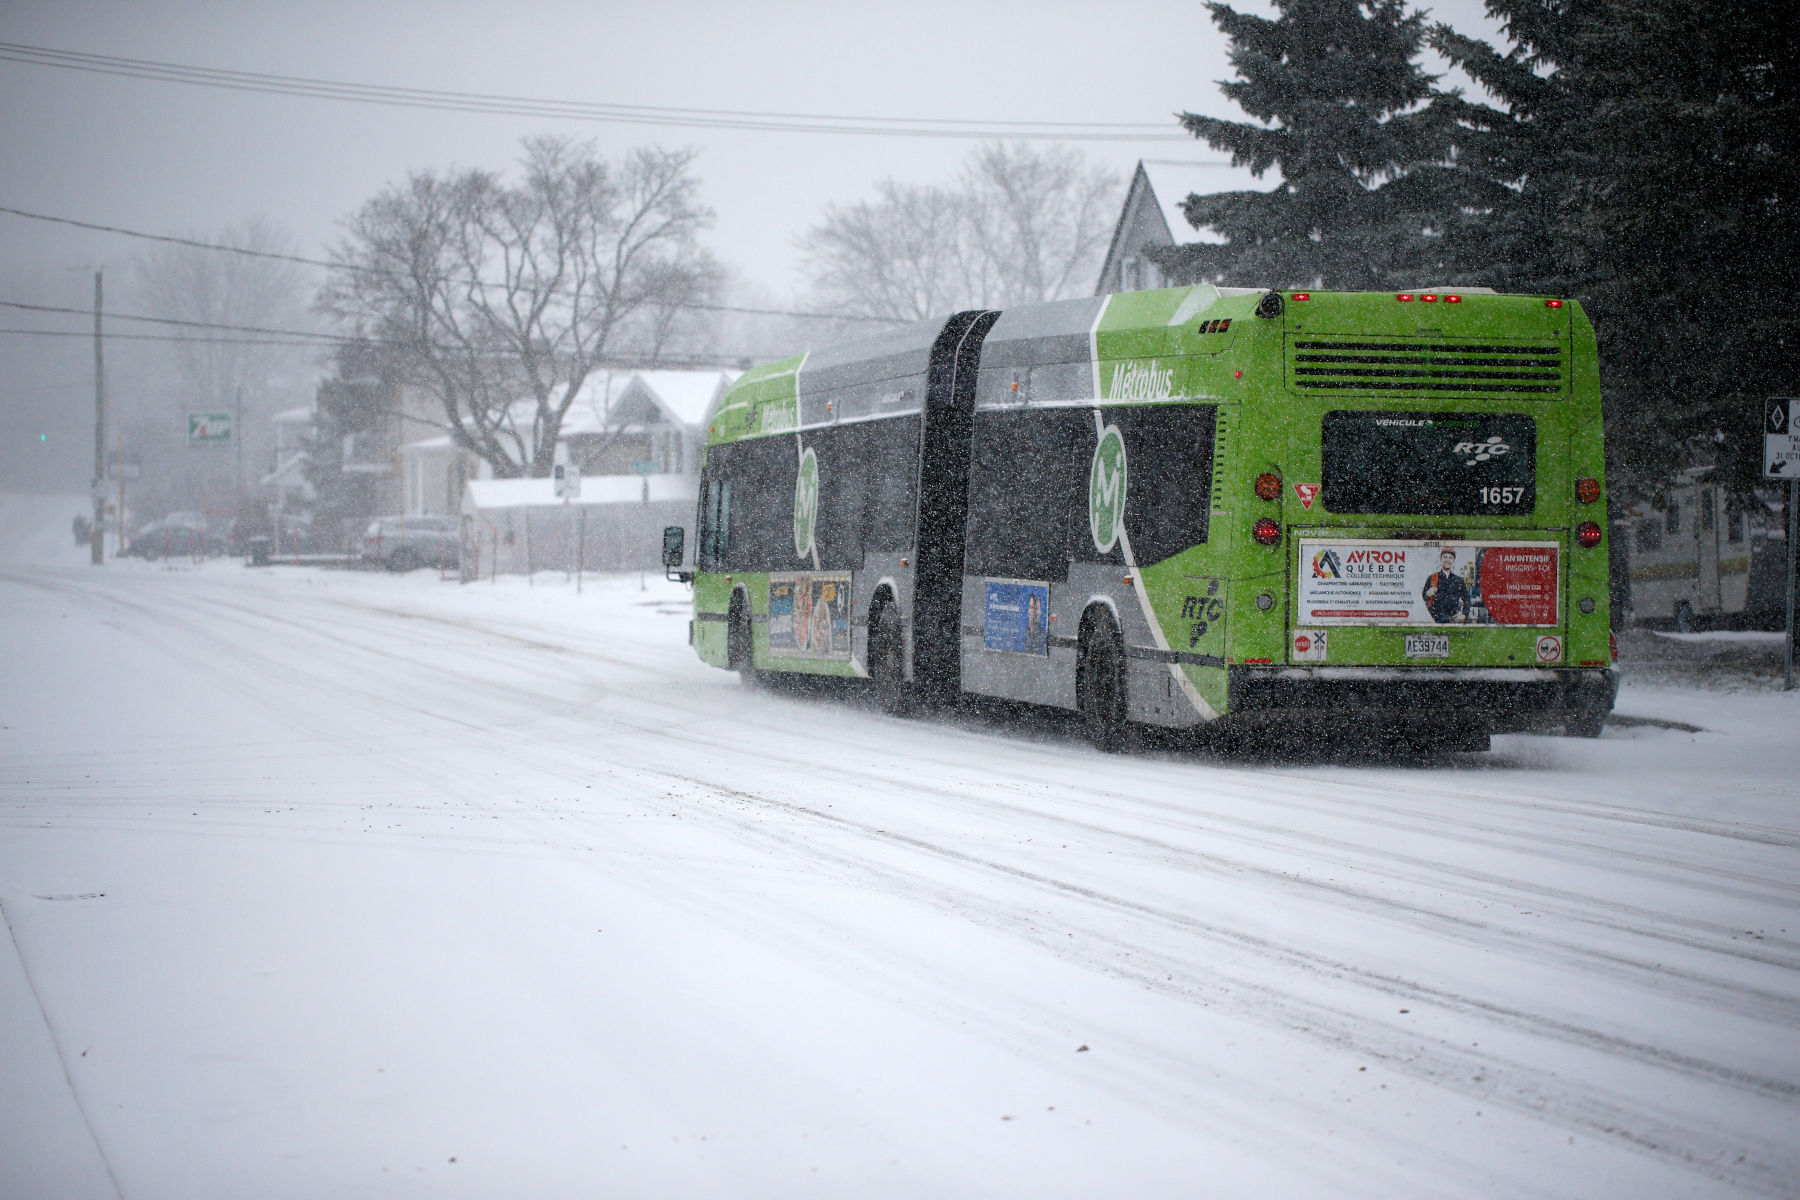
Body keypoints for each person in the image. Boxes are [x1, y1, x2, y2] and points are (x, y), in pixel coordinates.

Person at [1422, 547, 1470, 623]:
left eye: (1450, 558)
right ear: (1441, 560)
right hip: (1435, 620)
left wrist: (1464, 615)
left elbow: (1467, 600)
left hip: (1454, 620)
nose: (1447, 560)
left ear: (1453, 561)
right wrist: (1428, 594)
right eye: (1445, 557)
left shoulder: (1459, 580)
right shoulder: (1432, 578)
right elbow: (1423, 598)